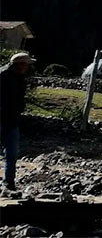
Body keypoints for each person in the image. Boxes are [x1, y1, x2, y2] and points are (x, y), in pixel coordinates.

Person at [0, 52, 34, 191]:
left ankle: (9, 182)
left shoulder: (20, 78)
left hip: (12, 119)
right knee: (10, 152)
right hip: (3, 118)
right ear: (21, 65)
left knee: (12, 153)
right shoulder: (3, 76)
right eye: (27, 64)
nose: (28, 67)